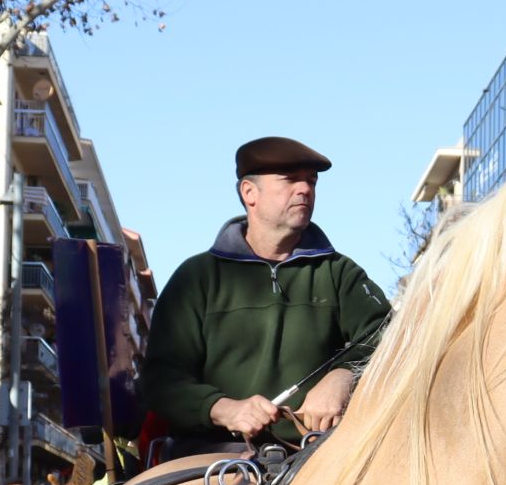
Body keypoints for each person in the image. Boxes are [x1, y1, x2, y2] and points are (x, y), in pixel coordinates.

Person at [138, 136, 391, 452]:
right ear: (249, 193)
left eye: (311, 182)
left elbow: (392, 337)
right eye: (290, 180)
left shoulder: (339, 273)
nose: (305, 190)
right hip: (211, 461)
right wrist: (224, 409)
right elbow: (161, 381)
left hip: (318, 458)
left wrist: (344, 376)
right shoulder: (195, 278)